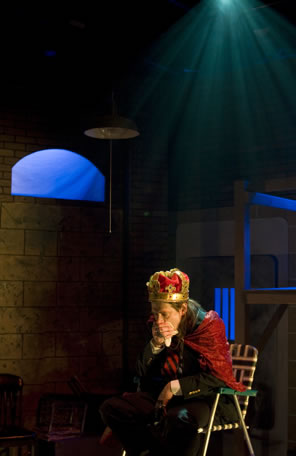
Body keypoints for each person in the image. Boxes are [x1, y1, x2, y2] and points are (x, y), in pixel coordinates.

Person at [99, 268, 246, 456]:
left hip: (199, 399)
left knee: (179, 420)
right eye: (155, 313)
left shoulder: (208, 328)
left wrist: (175, 387)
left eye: (164, 314)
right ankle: (149, 451)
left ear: (182, 309)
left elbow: (217, 378)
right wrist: (155, 346)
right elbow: (142, 373)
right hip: (158, 396)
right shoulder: (156, 325)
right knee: (111, 408)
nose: (158, 320)